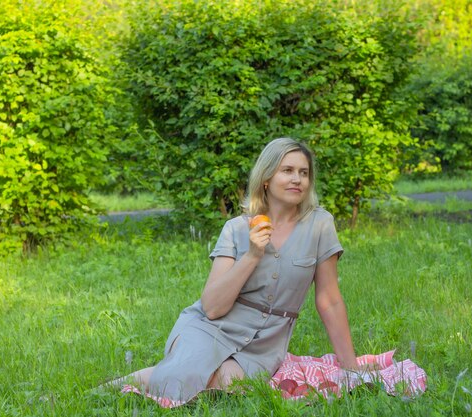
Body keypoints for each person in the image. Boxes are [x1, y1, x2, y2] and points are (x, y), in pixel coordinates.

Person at [111, 137, 358, 402]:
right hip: (213, 327)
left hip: (267, 341)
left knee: (227, 383)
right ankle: (113, 387)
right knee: (187, 380)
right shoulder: (236, 228)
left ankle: (161, 375)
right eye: (287, 171)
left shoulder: (319, 224)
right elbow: (213, 308)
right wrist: (252, 254)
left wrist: (351, 368)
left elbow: (329, 300)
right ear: (266, 178)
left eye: (304, 173)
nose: (297, 179)